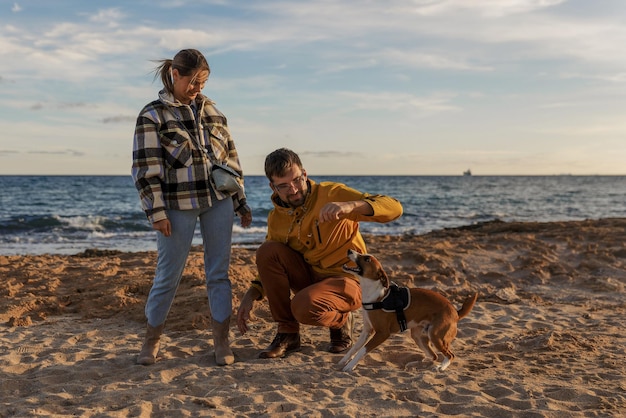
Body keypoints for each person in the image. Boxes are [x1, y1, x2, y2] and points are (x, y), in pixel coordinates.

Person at [132, 49, 252, 366]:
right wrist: (156, 213)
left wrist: (240, 200)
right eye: (193, 81)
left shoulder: (211, 109)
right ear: (175, 74)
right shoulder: (152, 115)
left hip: (218, 201)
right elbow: (145, 170)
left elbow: (230, 159)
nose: (198, 88)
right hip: (177, 206)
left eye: (203, 82)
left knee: (219, 275)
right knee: (167, 277)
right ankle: (150, 342)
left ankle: (222, 343)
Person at [236, 148, 403, 358]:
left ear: (304, 174)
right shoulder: (275, 218)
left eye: (297, 180)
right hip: (312, 278)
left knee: (302, 307)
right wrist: (251, 295)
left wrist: (351, 205)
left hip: (348, 279)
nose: (294, 189)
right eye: (284, 186)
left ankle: (341, 320)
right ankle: (288, 334)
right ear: (273, 186)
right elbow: (270, 265)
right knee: (268, 251)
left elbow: (395, 208)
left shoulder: (332, 194)